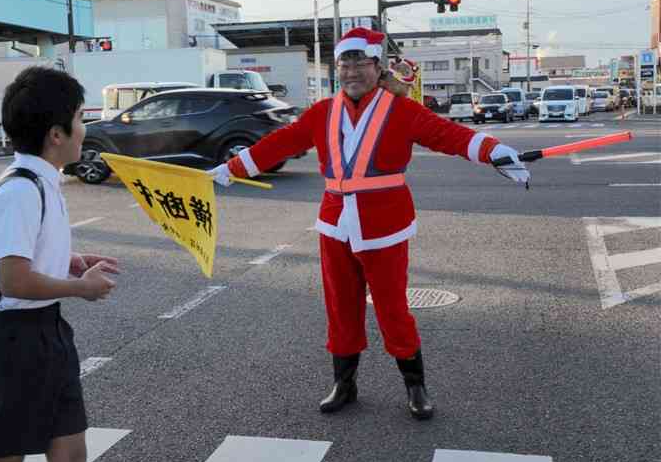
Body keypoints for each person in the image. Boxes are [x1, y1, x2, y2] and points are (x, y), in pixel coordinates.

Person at [208, 28, 528, 420]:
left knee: (393, 309)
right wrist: (230, 168)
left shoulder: (402, 110)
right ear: (336, 68)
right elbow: (283, 142)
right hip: (334, 224)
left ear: (377, 67)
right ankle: (345, 383)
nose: (352, 71)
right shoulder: (322, 112)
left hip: (385, 225)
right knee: (341, 306)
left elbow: (448, 135)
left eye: (361, 63)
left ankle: (415, 386)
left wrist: (496, 152)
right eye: (345, 63)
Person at [0, 67, 121, 462]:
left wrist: (69, 259)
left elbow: (22, 256)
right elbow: (13, 280)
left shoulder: (43, 182)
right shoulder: (20, 191)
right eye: (81, 117)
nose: (86, 128)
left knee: (71, 456)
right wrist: (80, 289)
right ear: (56, 134)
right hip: (13, 342)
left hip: (45, 331)